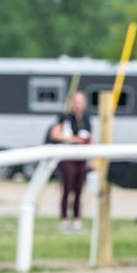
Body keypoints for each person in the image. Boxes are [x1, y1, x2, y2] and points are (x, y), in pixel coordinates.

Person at [49, 91, 92, 232]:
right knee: (67, 189)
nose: (78, 104)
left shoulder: (86, 118)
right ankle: (64, 220)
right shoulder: (64, 117)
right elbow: (55, 134)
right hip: (67, 158)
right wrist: (74, 139)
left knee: (79, 190)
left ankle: (77, 220)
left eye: (80, 101)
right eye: (75, 101)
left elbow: (91, 136)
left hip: (82, 157)